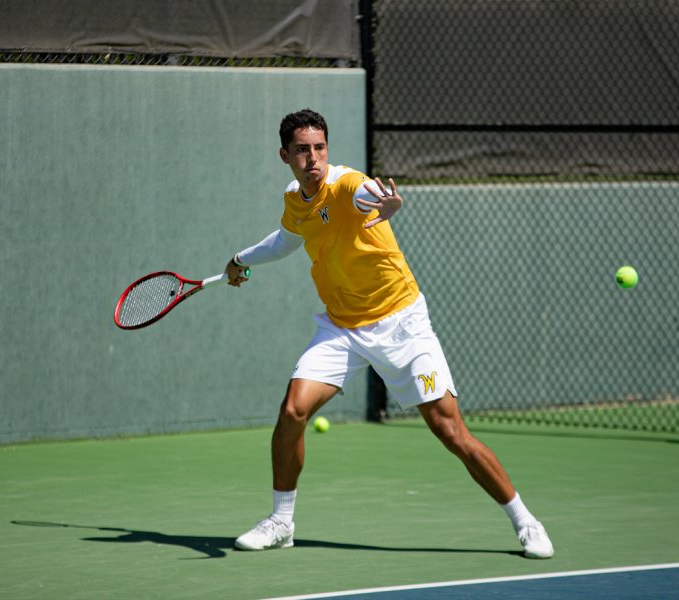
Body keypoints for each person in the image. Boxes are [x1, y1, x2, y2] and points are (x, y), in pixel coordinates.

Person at [225, 109, 553, 559]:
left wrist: (388, 204)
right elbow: (287, 238)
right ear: (285, 155)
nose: (313, 158)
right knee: (292, 411)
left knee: (450, 431)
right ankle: (282, 521)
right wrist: (241, 258)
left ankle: (526, 522)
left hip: (401, 324)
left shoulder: (347, 185)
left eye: (319, 148)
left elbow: (368, 193)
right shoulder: (295, 199)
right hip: (341, 326)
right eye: (302, 150)